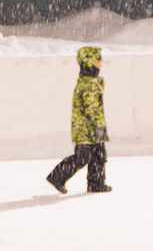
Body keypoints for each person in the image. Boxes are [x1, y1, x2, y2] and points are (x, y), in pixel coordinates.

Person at [46, 45, 112, 194]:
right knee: (83, 157)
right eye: (99, 60)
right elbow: (91, 108)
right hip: (87, 129)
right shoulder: (89, 83)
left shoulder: (88, 81)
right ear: (90, 62)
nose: (101, 63)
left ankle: (96, 183)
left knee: (98, 155)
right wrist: (99, 126)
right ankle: (57, 176)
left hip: (89, 127)